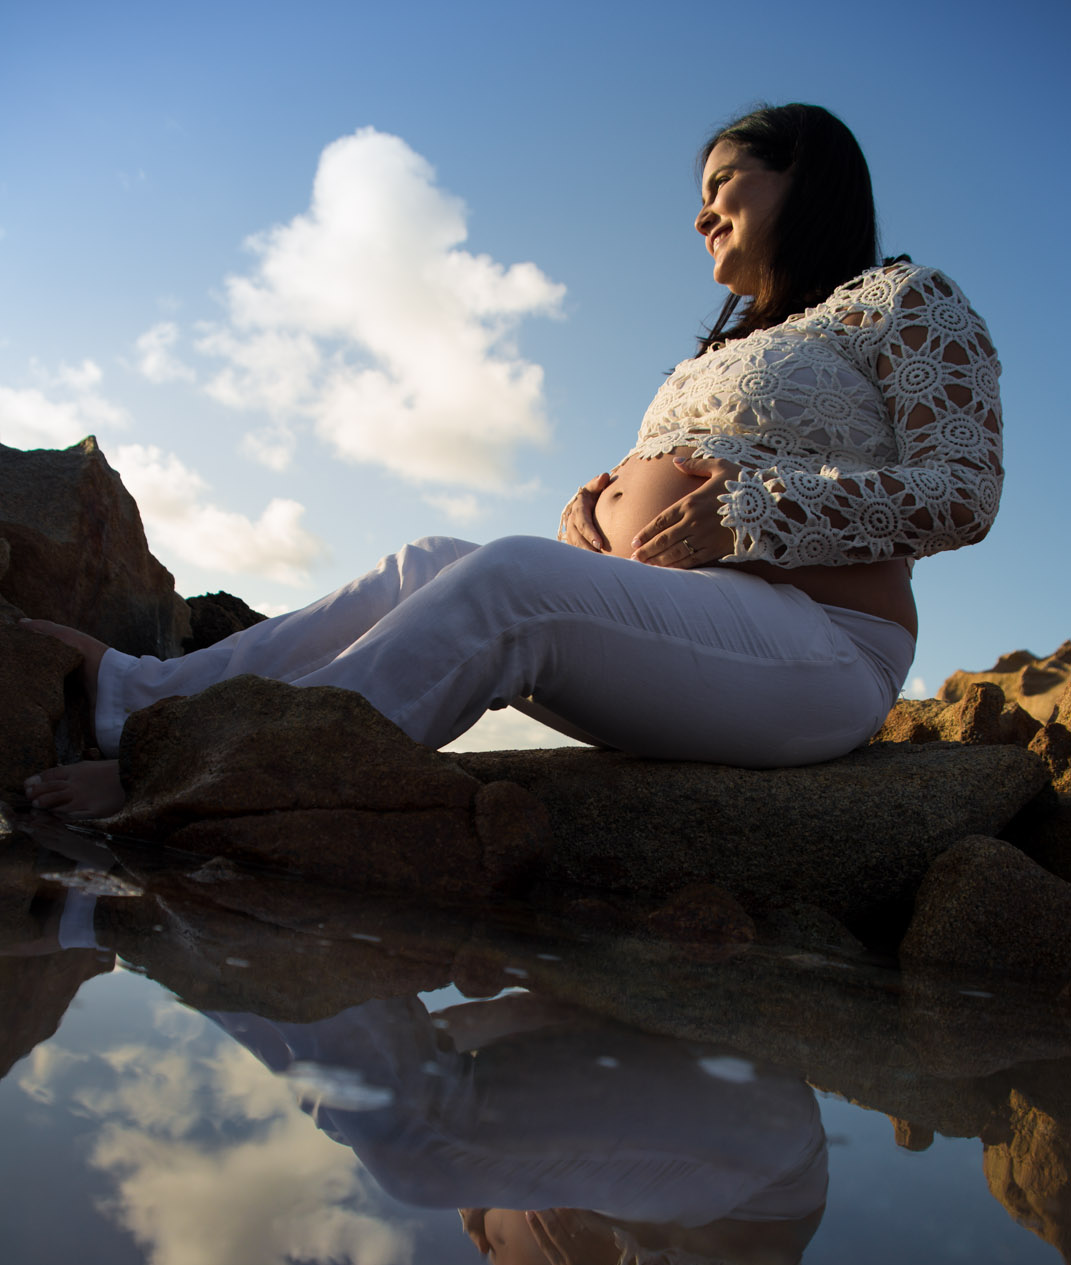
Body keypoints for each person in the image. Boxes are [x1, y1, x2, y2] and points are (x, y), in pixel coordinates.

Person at [22, 103, 1001, 820]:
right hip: (707, 631)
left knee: (508, 580)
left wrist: (757, 512)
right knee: (427, 559)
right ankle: (136, 698)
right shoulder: (730, 347)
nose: (701, 214)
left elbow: (964, 493)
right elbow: (695, 475)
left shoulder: (902, 299)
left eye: (722, 185)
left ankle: (202, 772)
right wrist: (599, 509)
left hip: (821, 643)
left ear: (804, 172)